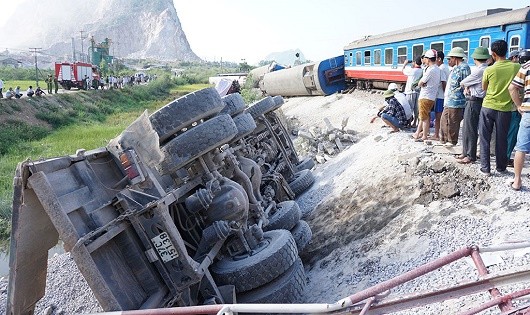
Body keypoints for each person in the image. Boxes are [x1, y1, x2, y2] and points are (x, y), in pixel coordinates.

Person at [478, 40, 521, 175]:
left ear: (493, 54)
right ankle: (501, 168)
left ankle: (485, 169)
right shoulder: (516, 67)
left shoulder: (489, 69)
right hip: (505, 109)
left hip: (488, 107)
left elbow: (484, 88)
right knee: (502, 139)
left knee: (485, 138)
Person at [456, 47, 490, 164]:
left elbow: (463, 82)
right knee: (469, 128)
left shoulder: (479, 70)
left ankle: (470, 155)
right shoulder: (487, 69)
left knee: (470, 128)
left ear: (475, 58)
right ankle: (466, 152)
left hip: (474, 100)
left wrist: (467, 86)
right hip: (480, 100)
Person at [508, 50, 530, 190]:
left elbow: (512, 88)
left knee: (521, 148)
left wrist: (518, 106)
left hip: (528, 111)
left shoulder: (526, 67)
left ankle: (517, 181)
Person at [439, 47, 471, 146]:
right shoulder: (455, 68)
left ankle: (452, 141)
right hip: (449, 99)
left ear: (455, 58)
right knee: (444, 120)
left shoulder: (464, 68)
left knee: (453, 121)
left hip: (457, 100)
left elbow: (466, 84)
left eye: (450, 59)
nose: (448, 61)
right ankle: (444, 140)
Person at [412, 49, 441, 141]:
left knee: (424, 118)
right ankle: (418, 133)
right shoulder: (437, 69)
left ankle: (424, 136)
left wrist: (421, 84)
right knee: (425, 116)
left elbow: (421, 82)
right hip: (432, 96)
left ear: (428, 59)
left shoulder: (431, 70)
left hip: (425, 96)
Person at [506, 49, 527, 167]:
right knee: (512, 135)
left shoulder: (519, 68)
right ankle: (506, 157)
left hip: (512, 106)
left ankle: (505, 157)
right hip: (517, 108)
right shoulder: (519, 68)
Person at [432, 51, 449, 140]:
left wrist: (444, 93)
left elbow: (443, 82)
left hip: (441, 96)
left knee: (438, 116)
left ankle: (437, 135)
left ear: (439, 59)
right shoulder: (445, 67)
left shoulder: (441, 69)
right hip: (442, 95)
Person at [402, 57, 423, 127]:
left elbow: (403, 70)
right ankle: (415, 123)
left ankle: (409, 124)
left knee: (410, 108)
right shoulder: (422, 70)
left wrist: (405, 64)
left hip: (410, 92)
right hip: (418, 92)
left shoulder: (412, 71)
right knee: (417, 109)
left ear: (415, 63)